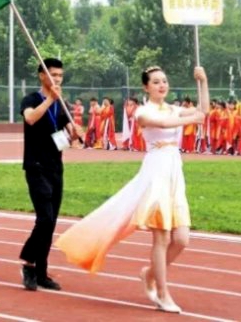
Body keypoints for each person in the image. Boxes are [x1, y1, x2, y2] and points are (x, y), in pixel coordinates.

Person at [55, 65, 209, 314]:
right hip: (155, 174)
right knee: (162, 237)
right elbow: (164, 122)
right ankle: (162, 293)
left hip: (174, 173)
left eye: (164, 81)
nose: (162, 85)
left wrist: (203, 81)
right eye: (156, 82)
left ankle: (149, 273)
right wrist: (193, 118)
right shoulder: (142, 112)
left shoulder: (174, 108)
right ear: (146, 87)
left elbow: (204, 110)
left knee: (182, 239)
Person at [19, 58, 82, 292]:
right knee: (44, 218)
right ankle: (28, 262)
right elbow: (30, 118)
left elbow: (68, 135)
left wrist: (75, 133)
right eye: (53, 74)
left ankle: (41, 272)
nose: (57, 79)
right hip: (36, 166)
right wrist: (50, 99)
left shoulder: (61, 105)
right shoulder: (32, 99)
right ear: (42, 75)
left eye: (60, 75)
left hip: (55, 167)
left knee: (51, 222)